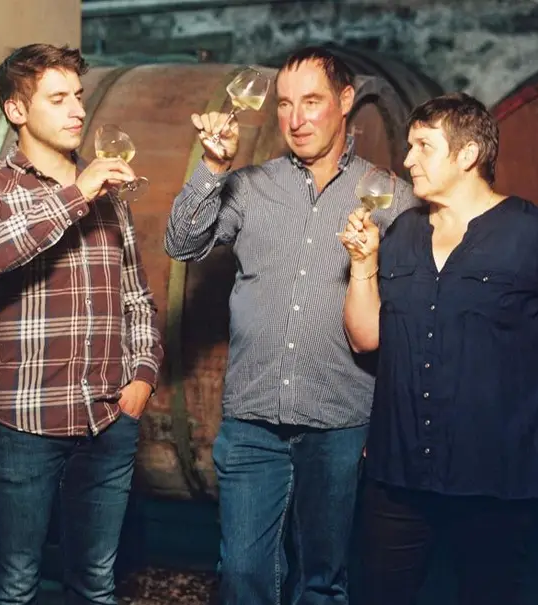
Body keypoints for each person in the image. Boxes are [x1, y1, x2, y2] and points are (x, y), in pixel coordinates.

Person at [339, 92, 538, 605]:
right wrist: (363, 265)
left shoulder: (536, 234)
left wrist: (537, 353)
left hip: (493, 471)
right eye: (409, 145)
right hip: (399, 468)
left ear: (468, 154)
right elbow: (365, 337)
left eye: (423, 146)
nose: (408, 159)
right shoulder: (403, 232)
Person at [164, 47, 418, 605]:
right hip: (253, 420)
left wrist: (390, 423)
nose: (296, 119)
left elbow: (409, 321)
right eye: (284, 104)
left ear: (345, 101)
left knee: (323, 580)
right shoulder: (250, 186)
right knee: (242, 575)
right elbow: (181, 243)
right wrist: (211, 168)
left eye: (311, 102)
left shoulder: (390, 197)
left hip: (339, 421)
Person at [0, 43, 163, 605]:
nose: (78, 110)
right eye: (59, 98)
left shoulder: (109, 197)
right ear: (17, 110)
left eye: (79, 96)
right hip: (22, 420)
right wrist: (77, 194)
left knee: (95, 583)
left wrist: (141, 379)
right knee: (16, 583)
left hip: (107, 420)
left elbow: (136, 297)